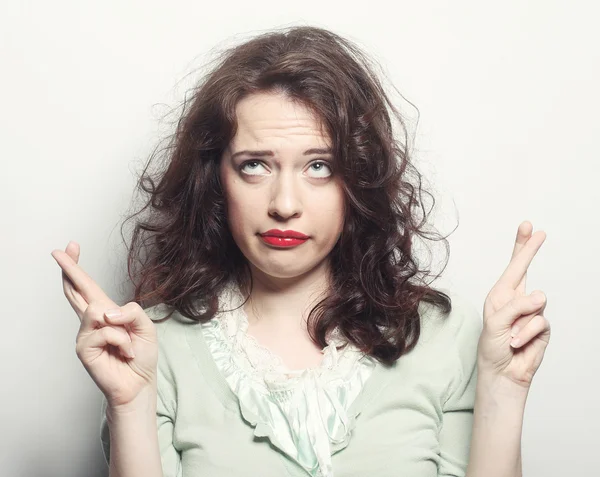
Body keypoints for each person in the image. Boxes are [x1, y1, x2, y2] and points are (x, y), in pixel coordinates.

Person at [51, 26, 550, 477]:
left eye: (318, 167)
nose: (284, 205)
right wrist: (130, 402)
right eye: (254, 166)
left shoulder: (446, 336)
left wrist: (504, 391)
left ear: (357, 180)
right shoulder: (151, 348)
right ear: (215, 178)